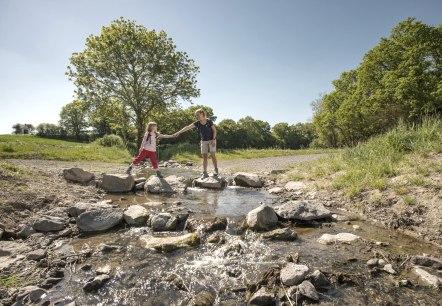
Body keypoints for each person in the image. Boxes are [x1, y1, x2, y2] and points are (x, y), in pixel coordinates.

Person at [174, 108, 218, 178]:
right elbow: (187, 127)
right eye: (196, 115)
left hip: (211, 140)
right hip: (203, 141)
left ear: (202, 114)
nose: (197, 116)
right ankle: (205, 172)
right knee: (205, 157)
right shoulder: (197, 123)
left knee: (213, 154)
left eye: (198, 115)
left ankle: (216, 170)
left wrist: (213, 139)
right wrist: (178, 132)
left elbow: (215, 131)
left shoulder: (209, 121)